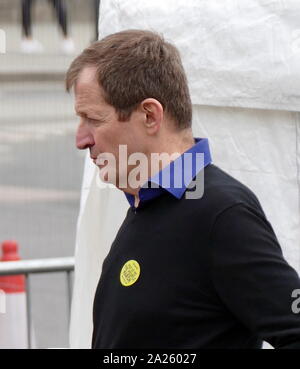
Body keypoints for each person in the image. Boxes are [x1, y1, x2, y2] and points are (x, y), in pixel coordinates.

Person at [65, 29, 300, 349]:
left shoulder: (221, 213)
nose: (81, 139)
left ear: (149, 115)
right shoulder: (148, 203)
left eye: (92, 119)